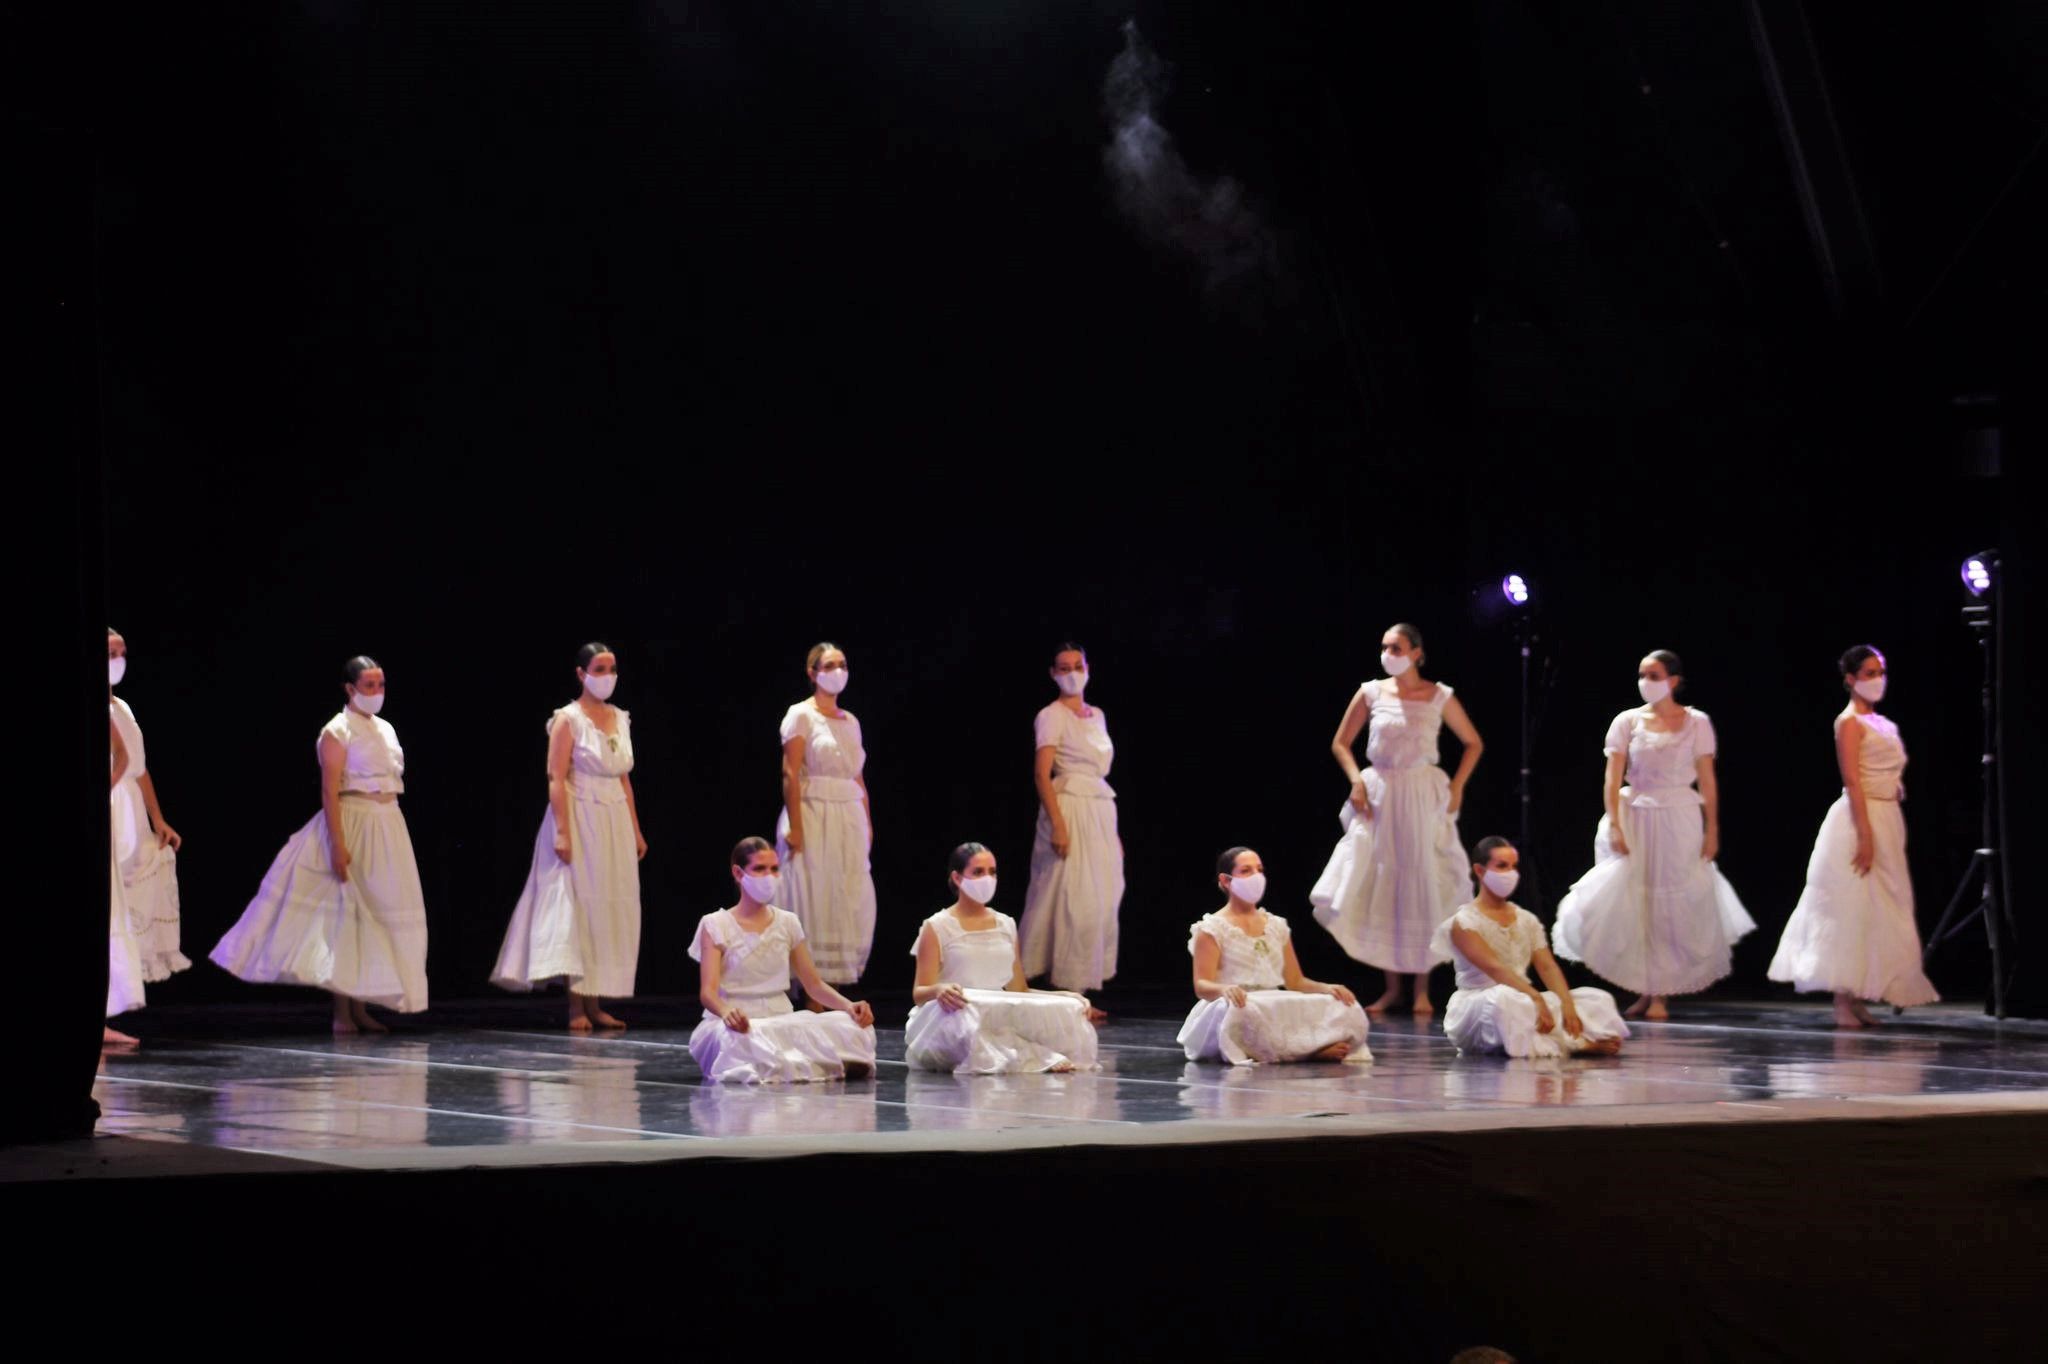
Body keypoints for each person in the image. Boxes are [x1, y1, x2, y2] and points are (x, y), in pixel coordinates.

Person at [211, 656, 428, 1032]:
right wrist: (337, 844)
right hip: (353, 820)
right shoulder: (337, 731)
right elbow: (330, 790)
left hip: (388, 824)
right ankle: (342, 1013)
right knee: (347, 917)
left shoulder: (386, 730)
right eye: (369, 685)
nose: (377, 692)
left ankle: (360, 1008)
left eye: (381, 685)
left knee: (374, 915)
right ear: (350, 689)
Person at [1551, 650, 1754, 1019]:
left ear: (1673, 680)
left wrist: (1713, 829)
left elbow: (1707, 779)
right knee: (1637, 903)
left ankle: (1660, 991)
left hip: (1678, 818)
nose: (1646, 681)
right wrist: (1614, 822)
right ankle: (1647, 989)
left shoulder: (1697, 722)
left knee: (1668, 904)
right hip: (1636, 815)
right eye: (1642, 674)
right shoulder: (1628, 721)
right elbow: (1612, 777)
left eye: (1654, 674)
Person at [1311, 622, 1481, 1014]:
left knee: (1420, 877)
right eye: (1385, 646)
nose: (1389, 653)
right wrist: (1356, 781)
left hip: (1421, 793)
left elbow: (1473, 742)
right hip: (1381, 793)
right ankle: (1391, 987)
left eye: (1398, 647)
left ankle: (1421, 988)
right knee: (1384, 878)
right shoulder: (1371, 693)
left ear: (1417, 653)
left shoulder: (1438, 696)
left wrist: (1458, 786)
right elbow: (1341, 742)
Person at [1768, 645, 1940, 1026]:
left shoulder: (1885, 724)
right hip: (1858, 819)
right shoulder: (1848, 722)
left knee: (1881, 905)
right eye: (1868, 672)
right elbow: (1852, 778)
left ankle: (1860, 995)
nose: (1877, 679)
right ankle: (1843, 1001)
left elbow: (1886, 769)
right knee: (1851, 903)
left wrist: (1894, 790)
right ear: (1850, 679)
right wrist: (1865, 835)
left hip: (1887, 815)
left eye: (1881, 671)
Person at [492, 642, 648, 1029]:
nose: (608, 675)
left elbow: (625, 780)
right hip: (580, 816)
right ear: (581, 674)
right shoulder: (568, 719)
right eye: (599, 668)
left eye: (612, 667)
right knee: (579, 906)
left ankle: (596, 1003)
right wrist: (562, 831)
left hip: (612, 817)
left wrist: (635, 828)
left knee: (608, 908)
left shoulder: (620, 718)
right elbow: (555, 777)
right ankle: (576, 1005)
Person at [688, 837, 876, 1083]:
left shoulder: (787, 922)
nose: (768, 876)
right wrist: (726, 1012)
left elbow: (814, 985)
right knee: (744, 1040)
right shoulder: (715, 924)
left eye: (774, 869)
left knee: (852, 1025)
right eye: (759, 868)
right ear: (738, 872)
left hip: (781, 1019)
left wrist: (849, 1006)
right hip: (737, 1022)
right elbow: (708, 992)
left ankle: (800, 1064)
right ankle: (807, 1064)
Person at [907, 842, 1102, 1073]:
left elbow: (1019, 990)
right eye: (978, 872)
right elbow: (919, 993)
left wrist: (1066, 996)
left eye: (992, 871)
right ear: (958, 878)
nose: (987, 878)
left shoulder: (1005, 924)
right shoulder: (937, 926)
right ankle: (1030, 1056)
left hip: (995, 1012)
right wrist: (939, 990)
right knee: (967, 1022)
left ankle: (1019, 1053)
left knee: (1069, 1007)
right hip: (950, 1014)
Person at [1436, 837, 1627, 1057]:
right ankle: (1573, 1044)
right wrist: (1536, 998)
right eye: (1501, 866)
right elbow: (1496, 969)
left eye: (1513, 866)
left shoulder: (1526, 919)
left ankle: (1568, 1037)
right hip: (1482, 1004)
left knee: (1596, 999)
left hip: (1523, 997)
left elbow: (1547, 967)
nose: (1510, 872)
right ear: (1479, 870)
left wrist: (1567, 1005)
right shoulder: (1463, 923)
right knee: (1505, 1000)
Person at [1180, 846, 1371, 1064]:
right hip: (1235, 1003)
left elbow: (1295, 981)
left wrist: (1327, 988)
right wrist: (1225, 989)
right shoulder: (1212, 928)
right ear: (1225, 880)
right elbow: (1201, 986)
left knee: (1341, 1004)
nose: (1256, 876)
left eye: (1259, 870)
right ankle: (1310, 1051)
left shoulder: (1276, 925)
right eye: (1246, 871)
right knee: (1245, 1012)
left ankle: (1301, 1050)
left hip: (1272, 1000)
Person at [1019, 642, 1124, 1000]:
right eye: (1064, 668)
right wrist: (1059, 824)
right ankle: (1066, 989)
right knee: (1068, 895)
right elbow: (1041, 774)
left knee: (1101, 895)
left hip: (1099, 807)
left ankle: (1081, 985)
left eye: (1077, 665)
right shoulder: (1051, 715)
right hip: (1068, 806)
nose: (1072, 673)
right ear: (1053, 674)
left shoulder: (1097, 715)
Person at [775, 641, 877, 1001]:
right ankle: (811, 993)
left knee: (846, 896)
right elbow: (791, 773)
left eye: (843, 664)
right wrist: (797, 826)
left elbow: (858, 776)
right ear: (813, 673)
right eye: (830, 665)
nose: (838, 671)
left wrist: (866, 820)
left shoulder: (851, 721)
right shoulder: (801, 715)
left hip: (847, 815)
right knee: (813, 895)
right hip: (814, 811)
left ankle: (832, 991)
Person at [108, 628, 189, 986]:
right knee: (113, 899)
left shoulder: (121, 707)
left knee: (134, 892)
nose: (119, 661)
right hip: (111, 804)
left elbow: (138, 767)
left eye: (122, 652)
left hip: (132, 809)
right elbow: (120, 763)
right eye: (111, 654)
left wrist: (158, 819)